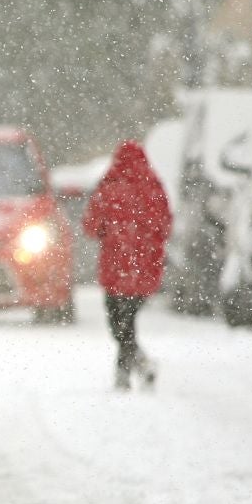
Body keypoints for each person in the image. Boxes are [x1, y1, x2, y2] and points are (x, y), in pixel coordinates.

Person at [83, 140, 172, 390]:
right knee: (127, 321)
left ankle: (130, 371)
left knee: (118, 323)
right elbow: (165, 224)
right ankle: (135, 368)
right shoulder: (153, 187)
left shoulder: (109, 187)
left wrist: (111, 233)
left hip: (115, 268)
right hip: (145, 269)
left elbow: (91, 225)